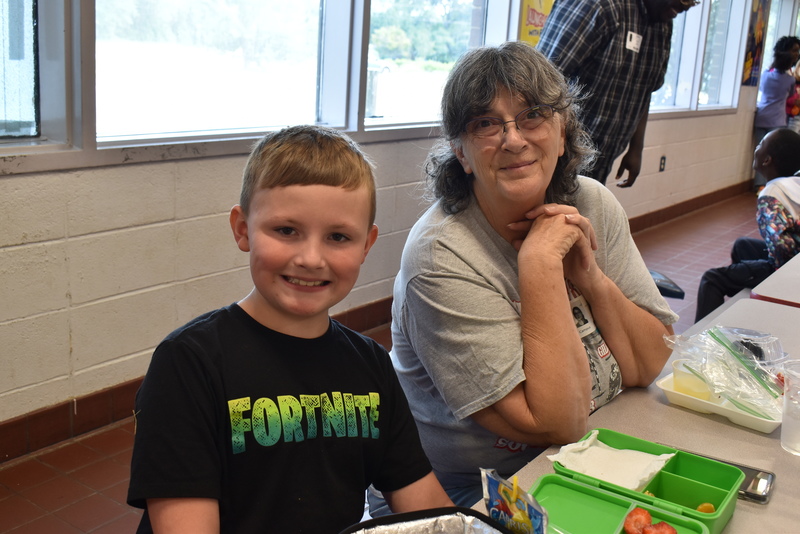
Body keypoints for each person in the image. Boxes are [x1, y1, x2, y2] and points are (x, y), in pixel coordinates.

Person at [383, 41, 677, 509]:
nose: (513, 139)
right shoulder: (441, 257)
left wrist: (593, 280)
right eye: (485, 124)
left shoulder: (593, 203)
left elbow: (651, 362)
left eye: (533, 116)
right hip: (480, 489)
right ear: (461, 152)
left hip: (589, 455)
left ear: (563, 134)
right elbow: (557, 422)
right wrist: (539, 266)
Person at [127, 125, 453, 533]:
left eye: (338, 236)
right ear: (243, 228)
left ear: (366, 246)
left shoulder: (369, 365)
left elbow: (424, 504)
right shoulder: (189, 364)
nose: (311, 258)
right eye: (286, 231)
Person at [537, 0, 700, 187]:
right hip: (560, 156)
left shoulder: (662, 21)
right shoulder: (597, 5)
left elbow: (645, 90)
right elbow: (539, 83)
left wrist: (636, 148)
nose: (687, 6)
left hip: (601, 156)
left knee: (585, 213)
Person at [695, 128, 800, 322]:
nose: (757, 147)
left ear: (767, 160)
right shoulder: (794, 183)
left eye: (761, 144)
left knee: (712, 279)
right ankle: (745, 311)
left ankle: (702, 345)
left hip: (791, 273)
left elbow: (782, 252)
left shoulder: (772, 194)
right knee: (743, 245)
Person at [753, 36, 800, 188]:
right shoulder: (790, 80)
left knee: (759, 152)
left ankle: (759, 185)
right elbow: (792, 98)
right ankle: (772, 184)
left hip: (761, 118)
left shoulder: (765, 75)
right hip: (778, 121)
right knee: (775, 156)